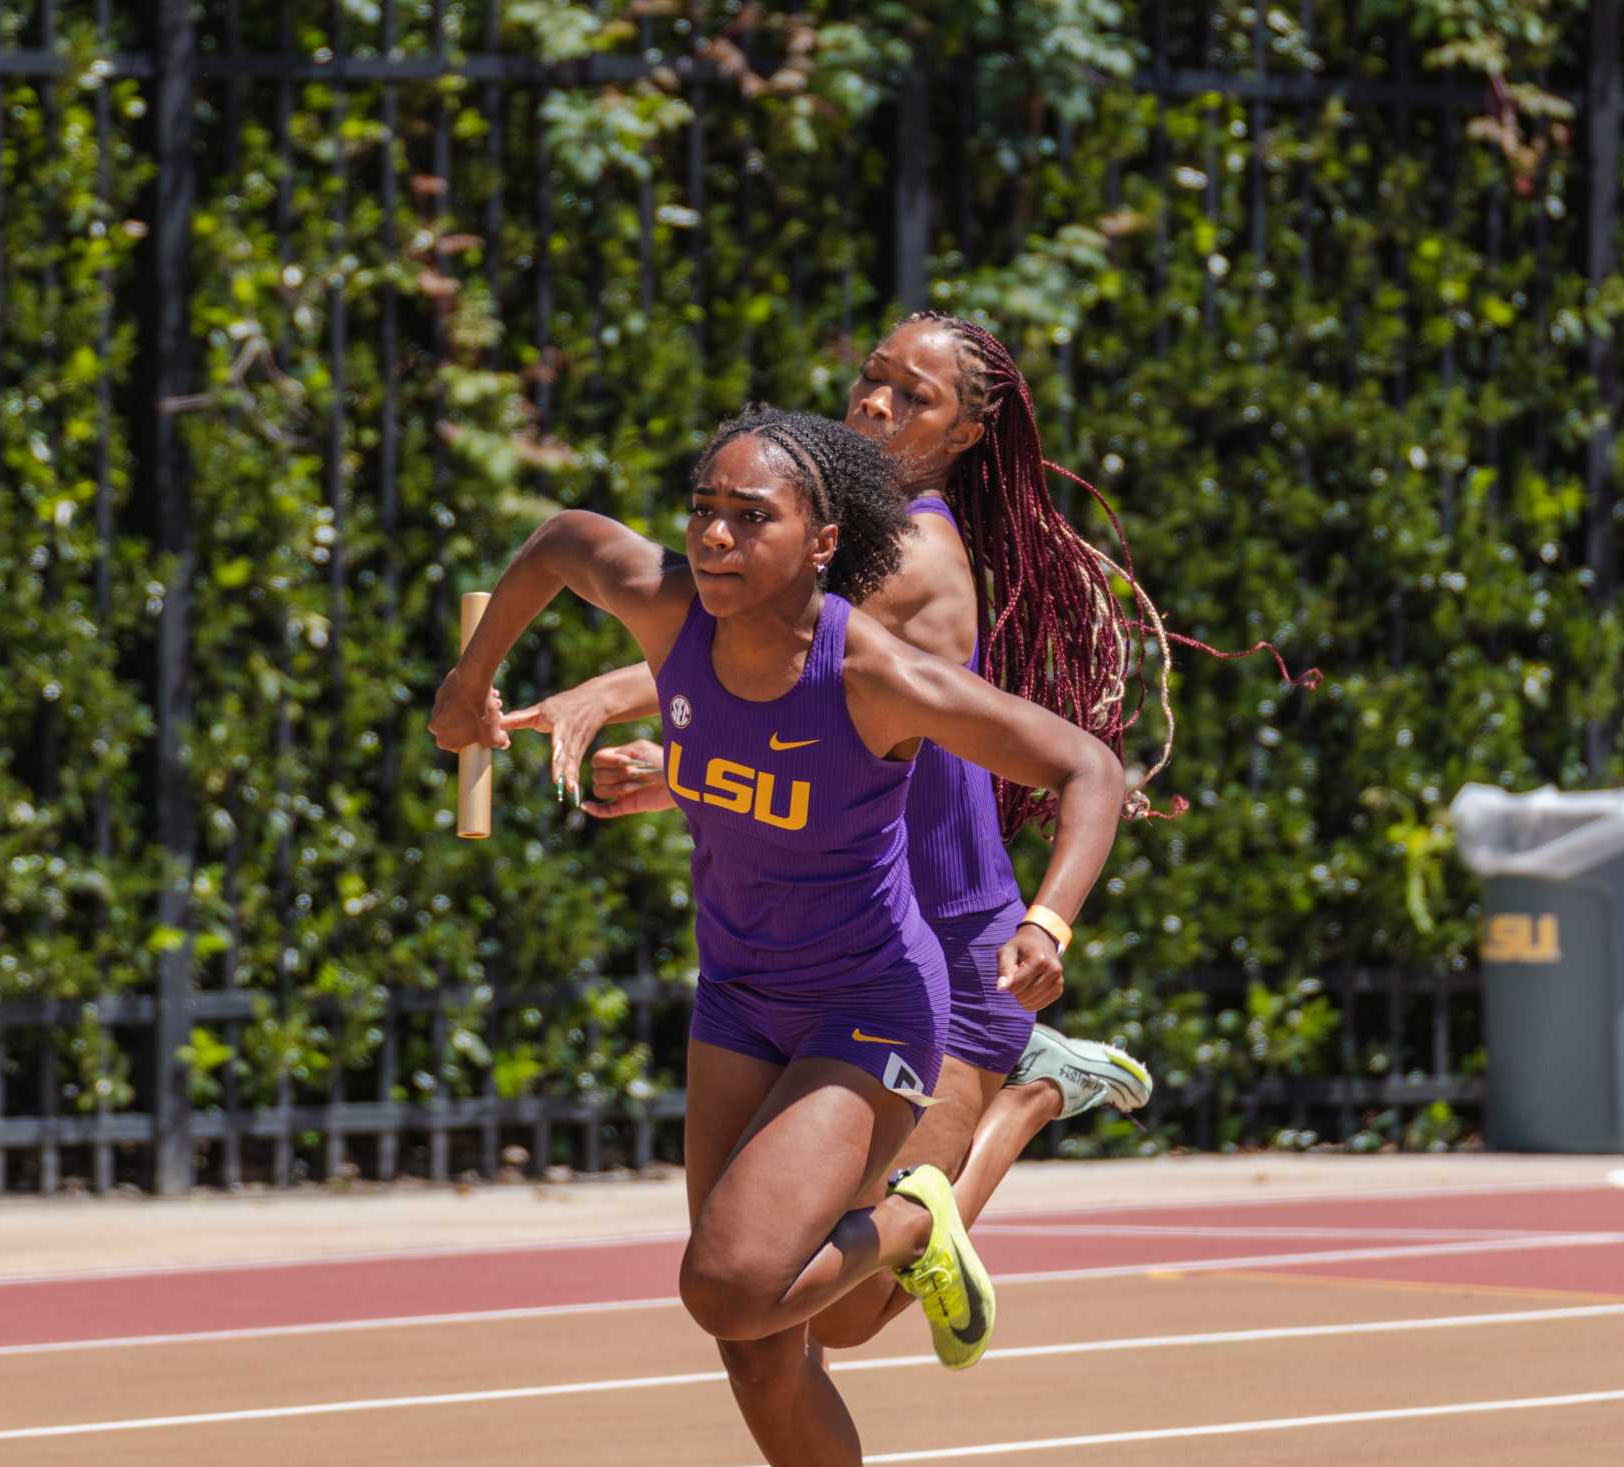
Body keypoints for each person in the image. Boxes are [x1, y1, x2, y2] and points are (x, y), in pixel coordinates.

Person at [428, 407, 1126, 1467]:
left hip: (868, 1004)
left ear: (824, 541)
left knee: (731, 1286)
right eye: (704, 511)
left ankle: (917, 1221)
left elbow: (1088, 767)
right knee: (763, 1346)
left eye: (750, 518)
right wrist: (467, 683)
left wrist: (1049, 920)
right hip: (741, 997)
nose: (714, 537)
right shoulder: (671, 618)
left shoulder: (872, 677)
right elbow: (565, 539)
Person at [500, 312, 1176, 1353]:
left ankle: (1036, 1089)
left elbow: (733, 645)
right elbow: (802, 750)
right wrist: (682, 773)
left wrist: (611, 698)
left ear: (962, 436)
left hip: (950, 957)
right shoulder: (833, 543)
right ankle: (1004, 1114)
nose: (873, 404)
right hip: (853, 940)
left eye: (913, 397)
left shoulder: (906, 554)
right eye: (871, 378)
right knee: (805, 1300)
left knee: (848, 1315)